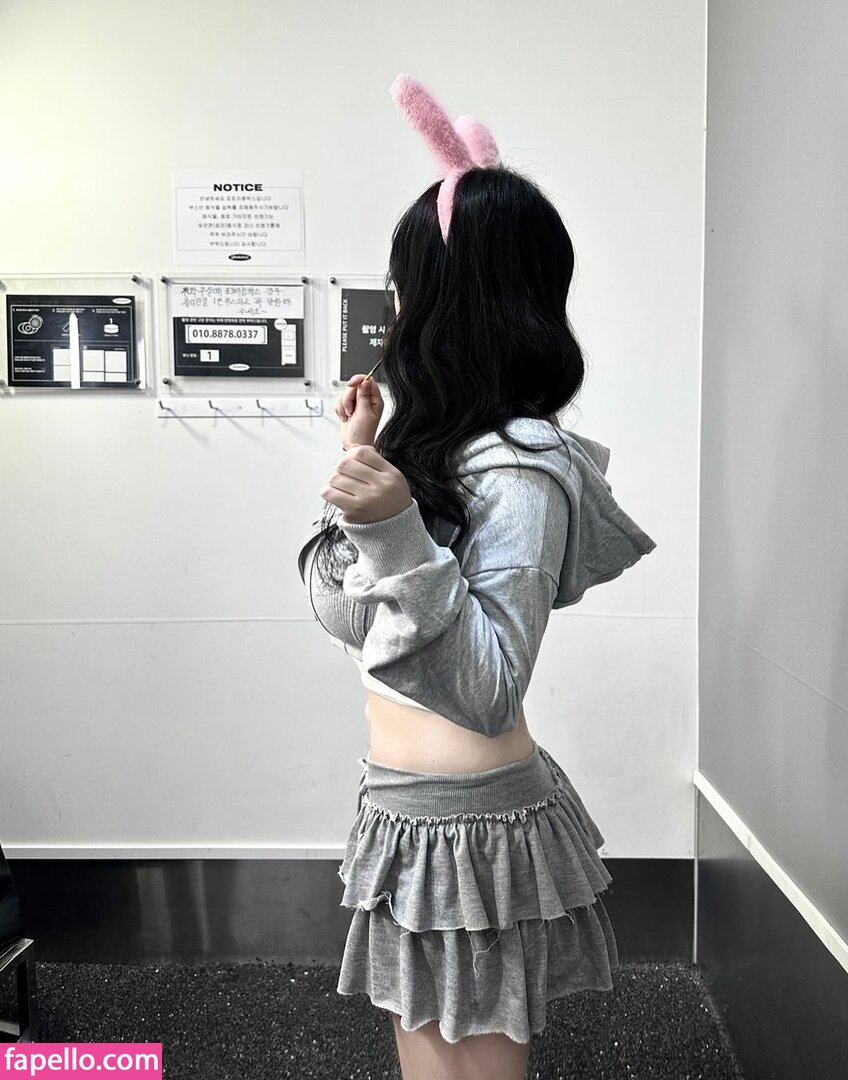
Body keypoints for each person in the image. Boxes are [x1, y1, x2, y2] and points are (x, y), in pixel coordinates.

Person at [298, 73, 657, 1080]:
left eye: (406, 279)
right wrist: (364, 473)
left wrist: (395, 529)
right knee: (425, 1060)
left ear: (451, 298)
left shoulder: (521, 468)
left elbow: (488, 684)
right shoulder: (435, 448)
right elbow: (349, 621)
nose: (394, 301)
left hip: (475, 822)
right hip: (398, 806)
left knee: (476, 1069)